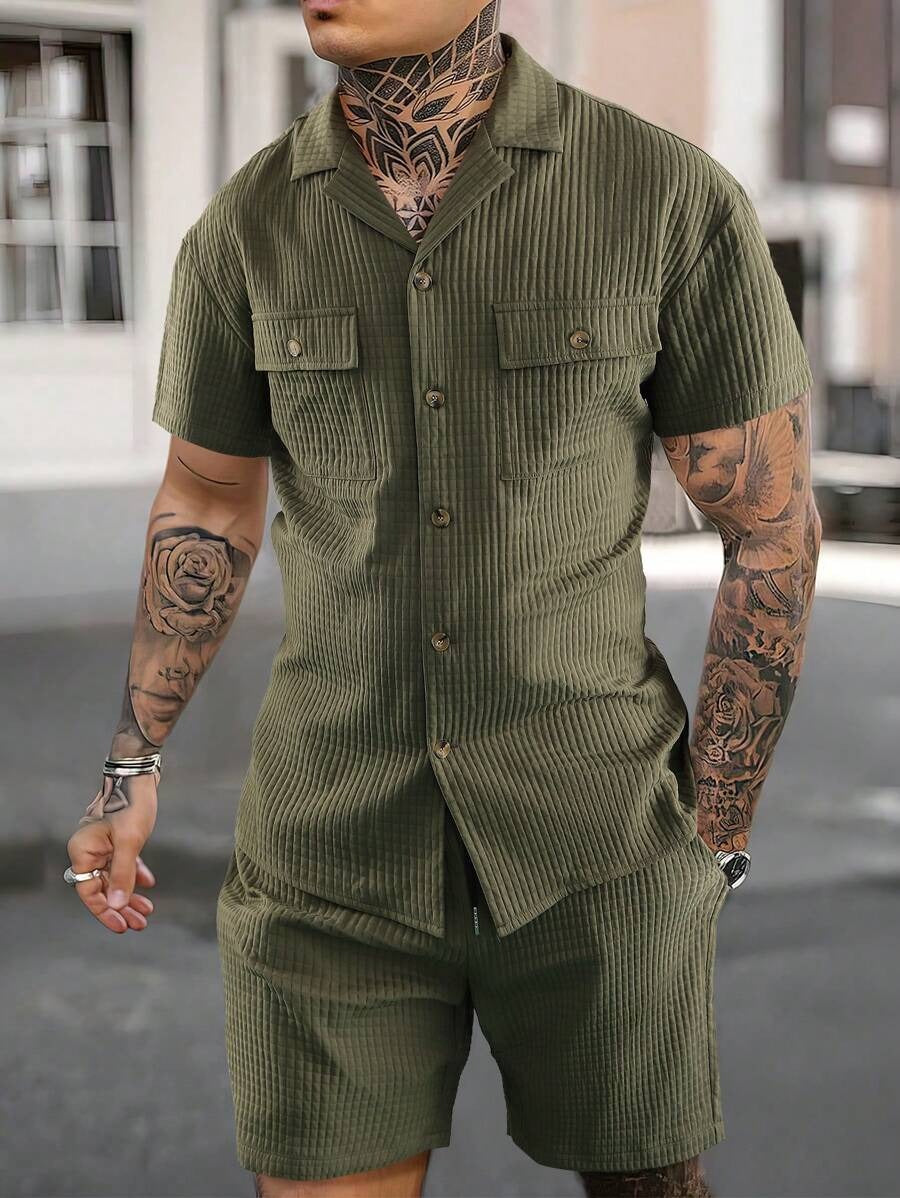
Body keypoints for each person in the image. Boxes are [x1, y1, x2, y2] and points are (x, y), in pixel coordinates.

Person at [64, 1, 822, 1195]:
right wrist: (129, 765)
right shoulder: (248, 228)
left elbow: (769, 527)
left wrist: (713, 840)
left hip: (597, 846)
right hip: (330, 854)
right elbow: (207, 498)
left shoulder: (664, 199)